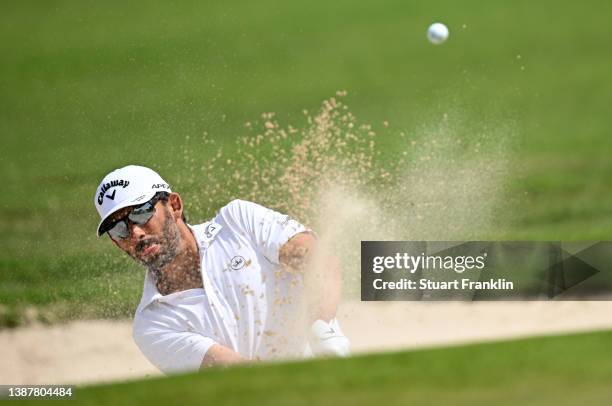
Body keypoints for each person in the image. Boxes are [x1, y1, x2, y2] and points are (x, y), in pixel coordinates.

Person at [93, 165, 350, 373]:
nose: (135, 232)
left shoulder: (237, 222)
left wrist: (324, 331)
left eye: (140, 214)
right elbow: (243, 378)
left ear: (174, 206)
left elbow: (317, 259)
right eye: (118, 228)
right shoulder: (152, 325)